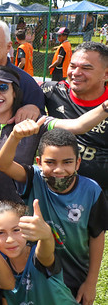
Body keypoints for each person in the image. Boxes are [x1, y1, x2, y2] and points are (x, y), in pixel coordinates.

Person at [0, 127, 108, 303]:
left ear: (78, 163)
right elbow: (3, 164)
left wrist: (91, 282)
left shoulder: (91, 191)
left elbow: (97, 236)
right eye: (51, 162)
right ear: (39, 162)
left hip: (74, 273)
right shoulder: (34, 178)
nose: (58, 169)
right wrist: (15, 136)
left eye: (67, 162)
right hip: (36, 274)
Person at [0, 65, 108, 203]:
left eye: (3, 88)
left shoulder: (35, 123)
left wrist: (105, 106)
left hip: (17, 213)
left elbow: (79, 125)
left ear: (15, 92)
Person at [42, 41, 108, 197]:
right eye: (72, 66)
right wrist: (29, 106)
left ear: (106, 74)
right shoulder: (52, 92)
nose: (76, 73)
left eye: (86, 68)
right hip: (53, 192)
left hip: (100, 198)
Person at [0, 200, 78, 304]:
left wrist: (46, 236)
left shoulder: (37, 257)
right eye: (0, 233)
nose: (10, 240)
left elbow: (45, 254)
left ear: (26, 228)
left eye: (16, 230)